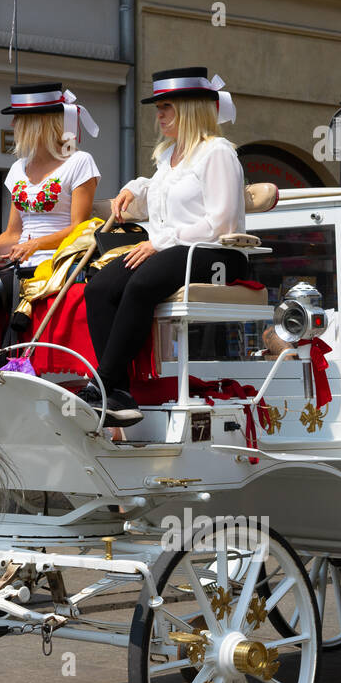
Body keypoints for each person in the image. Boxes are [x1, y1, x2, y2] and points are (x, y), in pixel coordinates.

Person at [79, 67, 247, 425]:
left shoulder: (217, 152)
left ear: (189, 109)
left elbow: (222, 223)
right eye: (158, 107)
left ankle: (105, 383)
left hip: (218, 253)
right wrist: (134, 190)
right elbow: (158, 202)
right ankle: (121, 394)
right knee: (100, 287)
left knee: (140, 284)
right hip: (171, 250)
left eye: (166, 107)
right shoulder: (168, 156)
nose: (159, 115)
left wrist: (161, 242)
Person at [0, 81, 100, 370]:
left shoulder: (80, 162)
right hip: (19, 261)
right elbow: (13, 233)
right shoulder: (18, 169)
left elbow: (81, 228)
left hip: (57, 262)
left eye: (18, 118)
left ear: (37, 123)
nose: (12, 124)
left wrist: (37, 244)